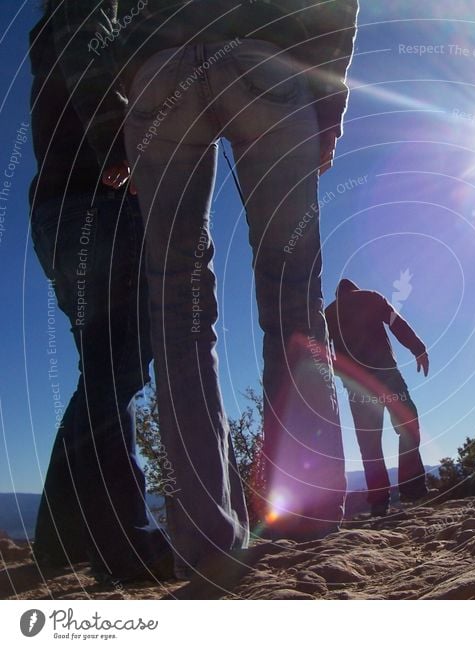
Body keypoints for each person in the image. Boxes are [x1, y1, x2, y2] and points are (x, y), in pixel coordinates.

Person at [113, 0, 358, 564]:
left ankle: (204, 537)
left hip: (159, 71)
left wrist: (131, 87)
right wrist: (329, 106)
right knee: (292, 287)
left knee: (176, 305)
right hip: (266, 60)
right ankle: (306, 511)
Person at [28, 5, 171, 582]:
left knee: (104, 371)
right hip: (95, 204)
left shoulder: (55, 29)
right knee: (116, 371)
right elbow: (85, 54)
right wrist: (119, 146)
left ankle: (60, 543)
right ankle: (129, 545)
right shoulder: (84, 9)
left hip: (61, 211)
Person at [325, 279, 429, 516]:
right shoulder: (370, 296)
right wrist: (418, 348)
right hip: (385, 374)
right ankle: (413, 490)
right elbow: (395, 322)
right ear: (354, 288)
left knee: (369, 445)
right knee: (408, 424)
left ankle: (379, 502)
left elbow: (320, 350)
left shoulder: (328, 313)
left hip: (356, 384)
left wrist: (339, 373)